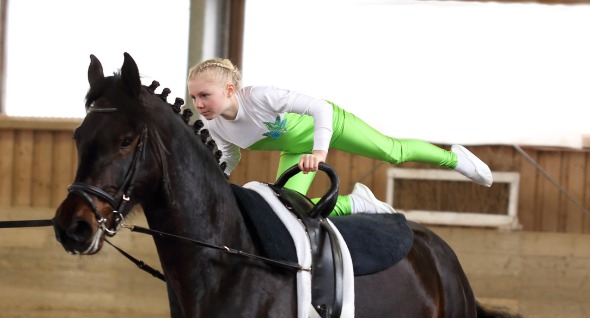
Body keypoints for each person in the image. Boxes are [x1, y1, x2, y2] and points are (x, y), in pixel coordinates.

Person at [187, 58, 493, 216]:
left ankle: (454, 158)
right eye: (194, 97)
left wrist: (319, 153)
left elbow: (320, 109)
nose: (199, 104)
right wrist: (217, 178)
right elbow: (230, 156)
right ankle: (354, 204)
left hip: (332, 123)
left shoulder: (262, 98)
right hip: (295, 150)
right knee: (290, 210)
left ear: (229, 90)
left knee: (393, 152)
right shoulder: (215, 126)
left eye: (205, 95)